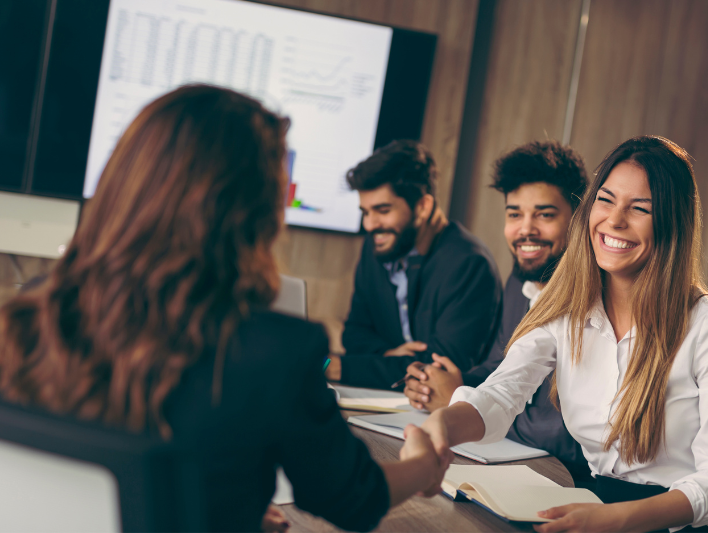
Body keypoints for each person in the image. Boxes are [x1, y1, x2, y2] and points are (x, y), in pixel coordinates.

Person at [0, 85, 450, 532]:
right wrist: (422, 465)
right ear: (256, 213)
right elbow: (355, 499)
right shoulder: (273, 351)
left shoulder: (30, 314)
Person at [420, 136, 708, 533]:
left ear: (671, 222)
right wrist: (441, 428)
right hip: (591, 504)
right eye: (606, 200)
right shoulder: (567, 308)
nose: (614, 220)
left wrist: (617, 519)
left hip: (672, 523)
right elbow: (501, 395)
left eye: (639, 209)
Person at [403, 141, 592, 481]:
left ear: (578, 219)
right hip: (517, 466)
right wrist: (453, 384)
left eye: (545, 215)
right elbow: (501, 365)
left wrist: (461, 405)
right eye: (514, 214)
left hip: (572, 480)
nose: (525, 229)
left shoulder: (596, 300)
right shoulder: (520, 279)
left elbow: (567, 437)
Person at [325, 140, 502, 389]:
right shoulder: (377, 245)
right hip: (386, 400)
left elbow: (442, 368)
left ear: (423, 206)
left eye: (382, 210)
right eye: (365, 212)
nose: (370, 224)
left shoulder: (470, 264)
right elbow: (355, 333)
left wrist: (341, 368)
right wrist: (389, 355)